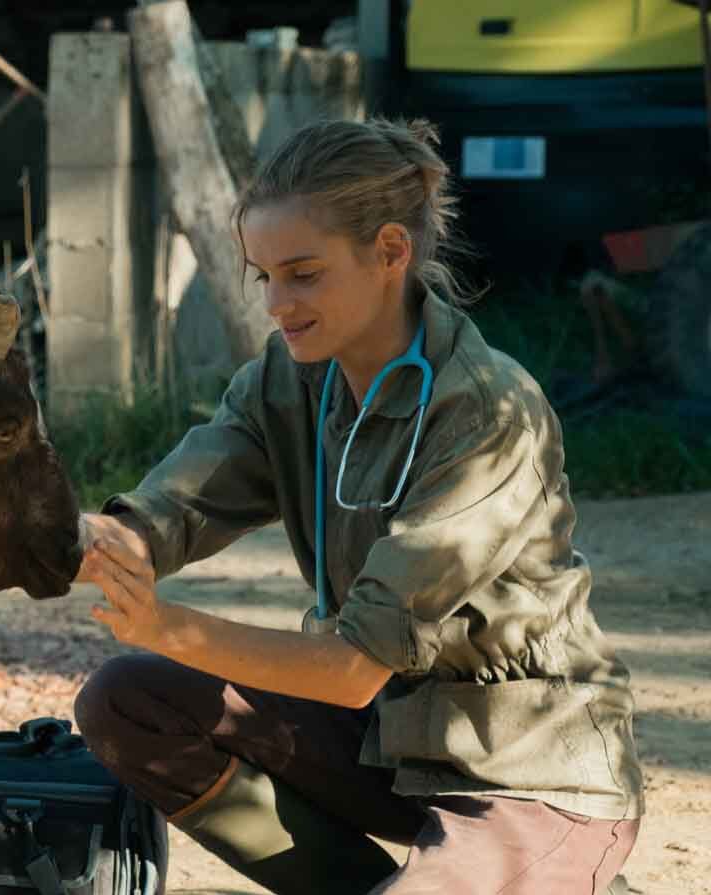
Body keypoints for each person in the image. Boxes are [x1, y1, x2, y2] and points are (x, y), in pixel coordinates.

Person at [69, 117, 643, 894]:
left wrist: (166, 624)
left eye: (303, 274)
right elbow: (164, 512)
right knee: (127, 701)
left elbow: (349, 669)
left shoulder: (486, 412)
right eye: (263, 276)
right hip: (389, 741)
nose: (277, 303)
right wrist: (40, 535)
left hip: (530, 772)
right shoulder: (290, 378)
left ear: (391, 252)